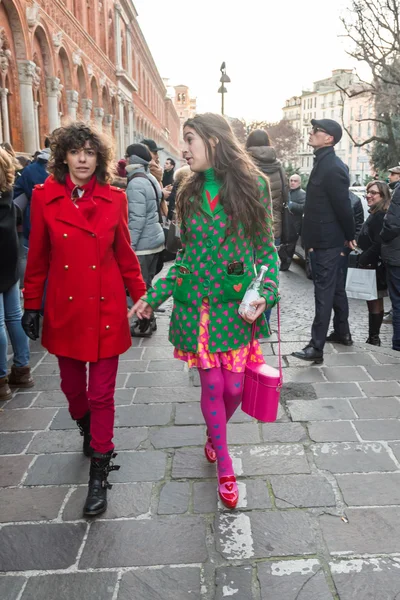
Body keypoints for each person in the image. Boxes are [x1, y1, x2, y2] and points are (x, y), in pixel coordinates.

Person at [131, 113, 280, 509]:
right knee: (213, 386)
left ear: (214, 141)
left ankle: (215, 435)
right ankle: (225, 464)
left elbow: (266, 251)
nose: (184, 148)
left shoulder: (255, 186)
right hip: (195, 306)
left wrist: (266, 291)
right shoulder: (187, 189)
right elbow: (183, 258)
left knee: (234, 387)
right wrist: (153, 294)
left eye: (191, 139)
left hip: (236, 309)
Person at [21, 123, 147, 516]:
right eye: (75, 152)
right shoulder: (45, 198)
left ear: (100, 159)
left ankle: (99, 468)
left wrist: (143, 296)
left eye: (90, 152)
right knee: (74, 390)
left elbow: (125, 254)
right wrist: (31, 304)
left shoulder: (115, 199)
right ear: (63, 157)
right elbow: (38, 255)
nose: (82, 159)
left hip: (106, 307)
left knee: (101, 395)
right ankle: (87, 428)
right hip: (66, 308)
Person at [292, 119, 355, 363]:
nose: (311, 132)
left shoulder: (333, 167)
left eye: (316, 130)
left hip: (328, 241)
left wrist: (349, 237)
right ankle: (342, 332)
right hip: (322, 239)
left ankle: (316, 347)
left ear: (329, 138)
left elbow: (344, 207)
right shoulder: (323, 163)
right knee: (336, 288)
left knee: (324, 293)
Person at [0, 148, 33, 400]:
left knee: (1, 321)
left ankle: (1, 380)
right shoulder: (7, 192)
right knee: (13, 314)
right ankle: (22, 369)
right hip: (9, 259)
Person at [125, 142, 164, 337]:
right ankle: (149, 321)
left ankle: (144, 324)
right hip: (154, 239)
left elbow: (136, 219)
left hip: (143, 245)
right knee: (146, 284)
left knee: (140, 287)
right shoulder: (149, 177)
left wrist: (128, 247)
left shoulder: (135, 183)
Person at [356, 181, 391, 346]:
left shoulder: (379, 215)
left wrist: (364, 259)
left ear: (383, 196)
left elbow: (378, 243)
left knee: (374, 300)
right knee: (375, 300)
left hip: (374, 264)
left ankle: (374, 338)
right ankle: (373, 337)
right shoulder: (378, 212)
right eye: (368, 192)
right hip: (374, 263)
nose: (369, 195)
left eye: (373, 193)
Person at [246, 129, 288, 246]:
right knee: (271, 262)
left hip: (248, 229)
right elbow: (285, 197)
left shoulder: (243, 165)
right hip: (273, 227)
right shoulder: (279, 168)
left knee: (247, 264)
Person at [381, 177, 400, 351]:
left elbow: (392, 225)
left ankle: (398, 346)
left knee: (398, 303)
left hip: (397, 255)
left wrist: (382, 237)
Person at [279, 174, 306, 271]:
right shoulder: (286, 192)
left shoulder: (302, 194)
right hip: (283, 223)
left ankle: (286, 264)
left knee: (290, 246)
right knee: (281, 246)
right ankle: (283, 261)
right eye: (291, 180)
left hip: (294, 225)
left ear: (299, 183)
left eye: (295, 181)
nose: (293, 183)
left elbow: (304, 208)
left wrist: (292, 205)